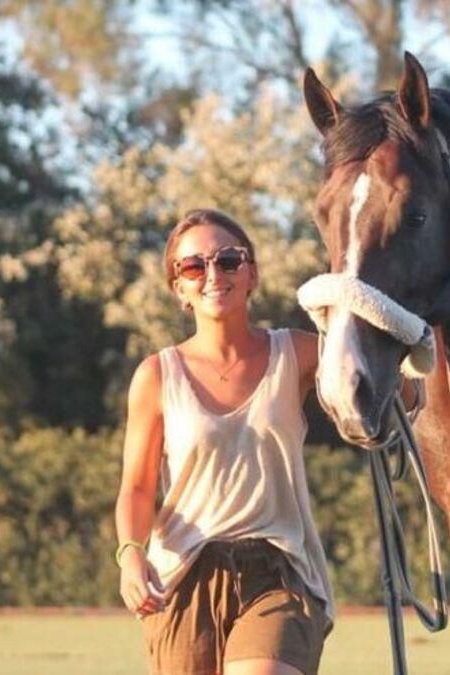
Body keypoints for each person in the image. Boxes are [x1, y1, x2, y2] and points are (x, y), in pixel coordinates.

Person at [115, 208, 333, 675]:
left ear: (251, 273)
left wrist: (409, 353)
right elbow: (136, 487)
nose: (213, 274)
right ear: (179, 289)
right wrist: (130, 555)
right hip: (184, 575)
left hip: (279, 569)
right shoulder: (156, 375)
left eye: (228, 260)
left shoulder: (298, 352)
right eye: (194, 266)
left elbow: (381, 381)